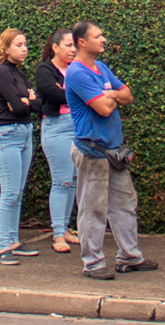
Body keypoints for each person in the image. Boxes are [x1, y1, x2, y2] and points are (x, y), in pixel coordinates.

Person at [64, 21, 156, 280]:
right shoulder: (78, 73)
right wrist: (113, 96)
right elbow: (103, 109)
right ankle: (92, 264)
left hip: (113, 151)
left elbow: (127, 95)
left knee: (125, 205)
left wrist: (110, 94)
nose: (103, 39)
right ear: (82, 42)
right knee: (92, 209)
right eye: (98, 36)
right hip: (92, 152)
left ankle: (129, 257)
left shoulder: (101, 67)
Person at [0, 28, 40, 265]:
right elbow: (19, 108)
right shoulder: (1, 74)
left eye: (25, 44)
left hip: (25, 133)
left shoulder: (19, 74)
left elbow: (36, 105)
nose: (24, 49)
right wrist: (26, 101)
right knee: (9, 193)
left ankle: (13, 241)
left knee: (17, 193)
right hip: (6, 135)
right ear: (6, 48)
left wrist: (26, 101)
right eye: (18, 45)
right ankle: (2, 247)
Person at [34, 28, 80, 254]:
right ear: (55, 47)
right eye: (69, 45)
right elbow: (56, 95)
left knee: (73, 179)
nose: (73, 49)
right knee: (61, 181)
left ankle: (66, 228)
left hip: (78, 126)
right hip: (57, 128)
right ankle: (58, 234)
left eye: (75, 46)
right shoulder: (45, 70)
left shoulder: (76, 68)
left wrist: (70, 90)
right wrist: (78, 92)